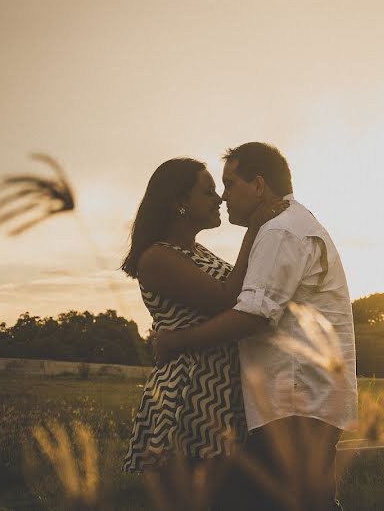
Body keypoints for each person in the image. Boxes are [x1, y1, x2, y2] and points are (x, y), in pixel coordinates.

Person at [154, 142, 358, 511]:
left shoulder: (280, 230)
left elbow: (253, 314)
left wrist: (179, 340)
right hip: (302, 395)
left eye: (230, 184)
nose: (224, 196)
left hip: (295, 396)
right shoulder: (286, 224)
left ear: (259, 185)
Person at [120, 157, 287, 496]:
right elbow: (227, 299)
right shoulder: (157, 258)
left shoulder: (197, 251)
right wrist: (255, 227)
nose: (219, 199)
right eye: (208, 192)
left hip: (224, 391)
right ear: (180, 203)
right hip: (191, 395)